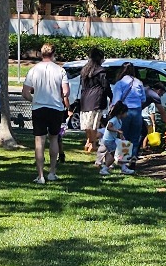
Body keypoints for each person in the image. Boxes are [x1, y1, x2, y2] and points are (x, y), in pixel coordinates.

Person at [23, 43, 69, 183]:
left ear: (41, 54)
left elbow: (25, 92)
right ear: (53, 54)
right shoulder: (60, 70)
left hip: (39, 108)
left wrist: (35, 99)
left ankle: (40, 175)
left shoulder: (33, 70)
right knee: (54, 138)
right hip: (55, 108)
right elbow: (66, 91)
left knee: (39, 140)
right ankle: (52, 172)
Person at [108, 62, 149, 175]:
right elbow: (143, 99)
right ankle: (133, 161)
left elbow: (117, 99)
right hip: (137, 111)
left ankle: (124, 163)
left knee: (123, 137)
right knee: (135, 138)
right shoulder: (139, 82)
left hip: (124, 112)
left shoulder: (120, 83)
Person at [77, 51, 109, 155]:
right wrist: (111, 97)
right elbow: (105, 86)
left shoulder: (84, 70)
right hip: (96, 100)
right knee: (95, 124)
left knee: (88, 124)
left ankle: (88, 142)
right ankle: (93, 144)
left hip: (85, 100)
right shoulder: (101, 71)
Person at [97, 102, 130, 174]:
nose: (126, 114)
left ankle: (123, 167)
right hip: (108, 140)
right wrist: (117, 131)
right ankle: (104, 169)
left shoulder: (120, 121)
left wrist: (121, 137)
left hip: (113, 139)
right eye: (125, 113)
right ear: (121, 112)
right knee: (114, 155)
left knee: (122, 151)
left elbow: (118, 132)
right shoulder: (114, 120)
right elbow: (108, 127)